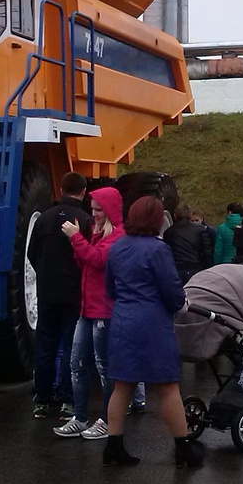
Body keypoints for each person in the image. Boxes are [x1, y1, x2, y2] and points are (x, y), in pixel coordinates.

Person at [101, 196, 205, 468]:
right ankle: (182, 448)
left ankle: (113, 446)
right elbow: (172, 291)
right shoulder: (158, 250)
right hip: (152, 324)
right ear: (157, 220)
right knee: (168, 387)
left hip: (123, 321)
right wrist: (181, 304)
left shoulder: (117, 247)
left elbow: (110, 288)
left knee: (122, 385)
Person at [54, 186, 124, 441]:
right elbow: (85, 260)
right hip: (88, 308)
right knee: (77, 363)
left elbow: (97, 260)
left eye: (98, 210)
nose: (94, 214)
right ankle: (81, 417)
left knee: (104, 367)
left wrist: (76, 238)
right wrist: (80, 241)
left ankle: (107, 419)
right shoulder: (98, 234)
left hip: (104, 310)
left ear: (110, 211)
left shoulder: (117, 236)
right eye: (92, 209)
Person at [27, 171, 91, 419]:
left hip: (47, 291)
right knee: (70, 346)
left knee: (45, 345)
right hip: (74, 293)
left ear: (60, 188)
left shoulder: (43, 219)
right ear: (83, 191)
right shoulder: (84, 220)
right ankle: (66, 399)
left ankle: (41, 399)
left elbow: (32, 253)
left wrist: (44, 274)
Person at [163, 203, 215, 283]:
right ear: (190, 215)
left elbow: (167, 254)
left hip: (176, 269)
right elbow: (207, 252)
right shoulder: (200, 230)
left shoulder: (168, 233)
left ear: (174, 216)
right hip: (196, 268)